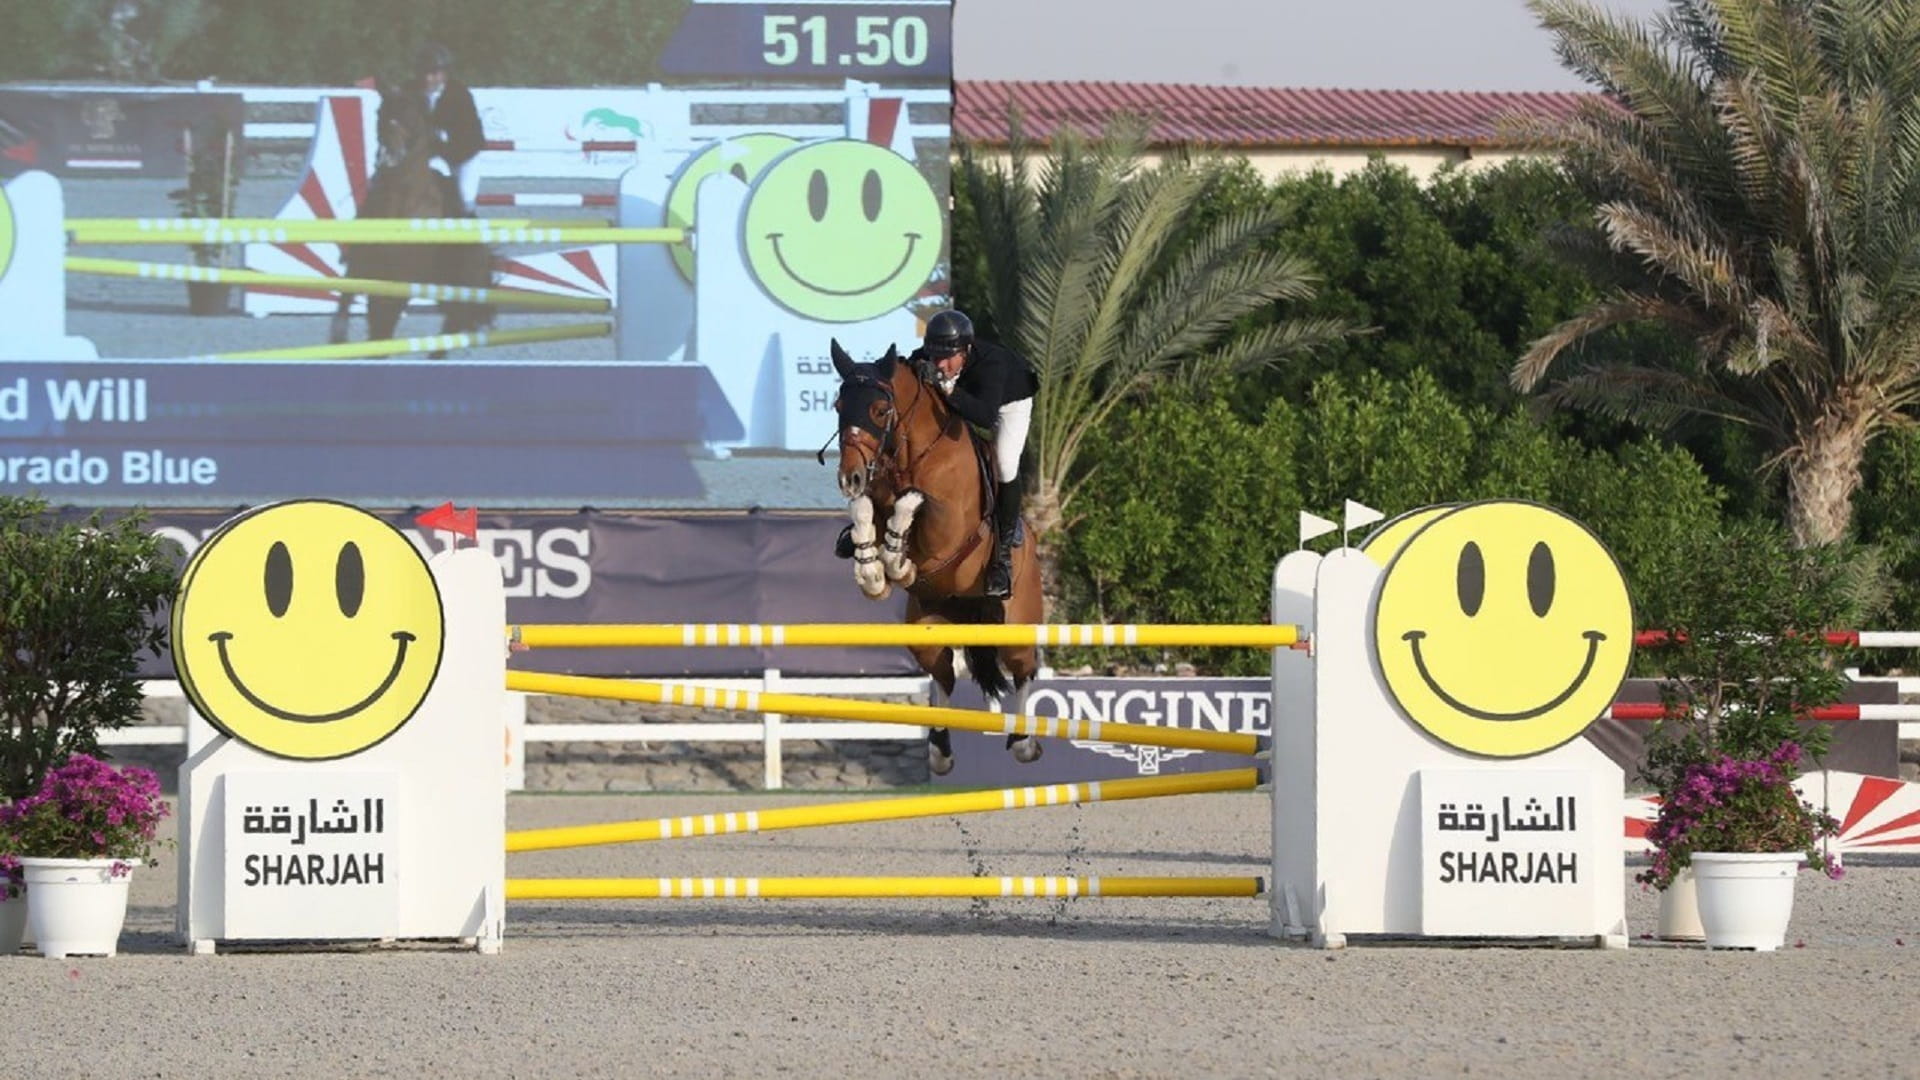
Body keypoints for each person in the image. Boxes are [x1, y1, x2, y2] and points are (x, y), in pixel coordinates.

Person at [917, 310, 1038, 598]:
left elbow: (985, 416)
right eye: (935, 356)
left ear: (966, 350)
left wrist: (949, 391)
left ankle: (1003, 558)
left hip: (1008, 405)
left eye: (948, 358)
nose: (940, 364)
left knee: (1005, 464)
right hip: (969, 398)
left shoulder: (992, 364)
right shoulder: (934, 355)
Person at [416, 42, 483, 213]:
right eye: (424, 73)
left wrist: (442, 145)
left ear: (444, 74)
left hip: (463, 155)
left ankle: (469, 225)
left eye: (433, 73)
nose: (427, 78)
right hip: (430, 154)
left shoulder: (459, 95)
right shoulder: (412, 91)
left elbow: (469, 136)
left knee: (465, 199)